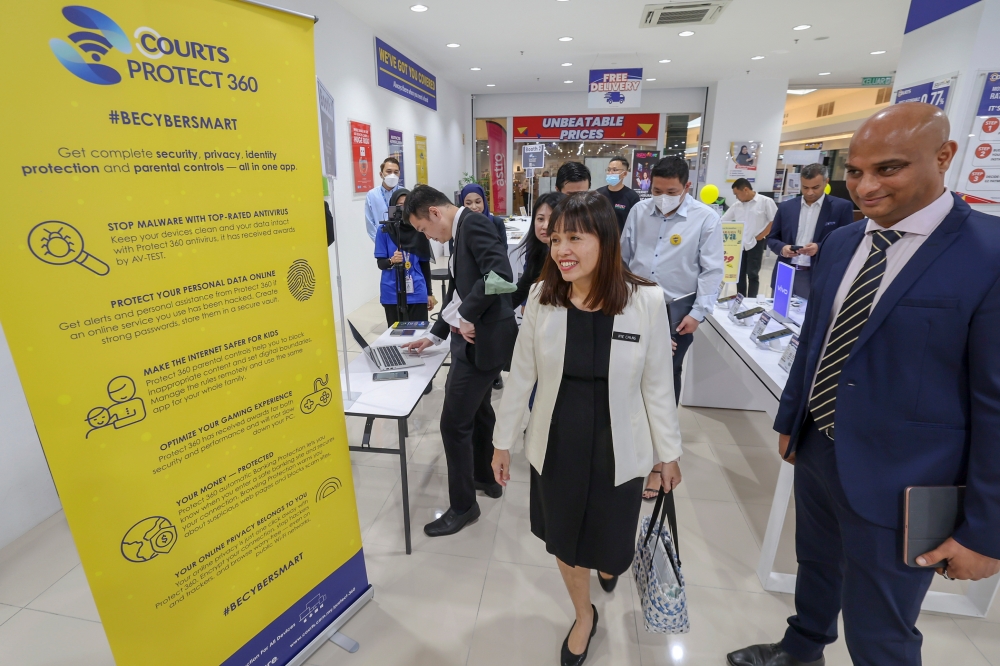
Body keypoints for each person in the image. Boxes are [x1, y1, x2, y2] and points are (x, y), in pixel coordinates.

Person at [727, 103, 1000, 666]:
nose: (866, 186)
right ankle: (802, 650)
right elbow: (814, 344)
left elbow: (996, 404)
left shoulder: (988, 253)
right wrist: (790, 421)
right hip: (821, 450)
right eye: (854, 171)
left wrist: (987, 531)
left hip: (907, 476)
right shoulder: (845, 244)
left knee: (881, 630)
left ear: (944, 157)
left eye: (888, 169)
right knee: (817, 568)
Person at [492, 191, 683, 666]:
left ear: (606, 240)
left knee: (610, 548)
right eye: (555, 239)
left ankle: (606, 564)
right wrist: (501, 442)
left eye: (575, 237)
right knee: (564, 537)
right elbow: (522, 374)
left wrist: (669, 453)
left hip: (620, 444)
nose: (561, 251)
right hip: (557, 439)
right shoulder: (543, 296)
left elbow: (658, 382)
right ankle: (583, 614)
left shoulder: (645, 300)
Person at [402, 185, 519, 536]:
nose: (429, 237)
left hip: (480, 341)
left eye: (424, 229)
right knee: (480, 409)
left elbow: (501, 277)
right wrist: (436, 333)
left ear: (434, 213)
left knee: (453, 425)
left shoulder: (474, 224)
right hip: (473, 336)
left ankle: (463, 506)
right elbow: (458, 288)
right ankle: (485, 476)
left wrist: (467, 315)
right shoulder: (460, 230)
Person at [621, 156, 723, 499]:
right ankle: (631, 445)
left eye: (671, 191)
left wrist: (698, 314)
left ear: (687, 188)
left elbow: (711, 272)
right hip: (635, 303)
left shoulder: (705, 219)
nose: (662, 197)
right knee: (630, 374)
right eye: (657, 190)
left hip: (677, 309)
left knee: (663, 381)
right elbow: (624, 256)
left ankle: (659, 461)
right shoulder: (639, 211)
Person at [765, 163, 854, 300]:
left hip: (818, 274)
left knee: (808, 318)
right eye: (805, 187)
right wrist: (783, 248)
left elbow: (847, 243)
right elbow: (772, 238)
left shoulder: (841, 208)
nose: (809, 192)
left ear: (826, 182)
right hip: (785, 272)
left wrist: (819, 247)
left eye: (815, 187)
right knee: (778, 315)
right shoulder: (786, 207)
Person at [461, 182, 508, 389]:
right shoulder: (461, 225)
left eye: (478, 202)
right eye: (468, 202)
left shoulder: (495, 222)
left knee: (493, 331)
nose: (474, 206)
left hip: (492, 281)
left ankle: (494, 372)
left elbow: (501, 254)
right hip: (474, 285)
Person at [374, 189, 437, 326]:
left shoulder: (419, 228)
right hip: (392, 293)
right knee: (397, 337)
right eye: (398, 205)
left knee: (419, 337)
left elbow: (425, 264)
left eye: (406, 204)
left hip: (417, 290)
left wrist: (429, 293)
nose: (402, 209)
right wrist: (391, 260)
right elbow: (381, 264)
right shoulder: (384, 230)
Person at [721, 178, 777, 298]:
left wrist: (760, 237)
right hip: (739, 245)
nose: (736, 197)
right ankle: (740, 298)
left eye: (737, 194)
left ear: (745, 189)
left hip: (756, 243)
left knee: (752, 274)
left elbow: (774, 221)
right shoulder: (737, 206)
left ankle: (751, 300)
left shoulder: (766, 202)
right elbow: (722, 221)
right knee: (739, 274)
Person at [511, 191, 566, 307]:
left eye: (552, 219)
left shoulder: (571, 255)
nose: (545, 226)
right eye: (540, 219)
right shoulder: (538, 252)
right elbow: (522, 289)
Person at [596, 156, 641, 233]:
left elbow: (635, 224)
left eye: (615, 170)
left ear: (624, 174)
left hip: (621, 242)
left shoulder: (632, 197)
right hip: (601, 239)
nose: (610, 173)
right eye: (608, 170)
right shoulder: (598, 194)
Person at [364, 157, 401, 242]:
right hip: (382, 239)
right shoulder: (372, 195)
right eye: (388, 171)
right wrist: (379, 242)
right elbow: (370, 222)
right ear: (381, 174)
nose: (392, 175)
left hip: (403, 241)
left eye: (396, 172)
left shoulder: (404, 194)